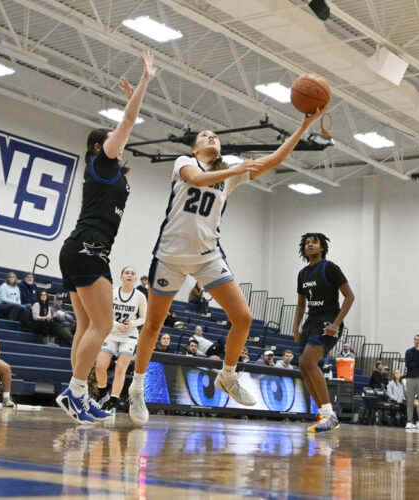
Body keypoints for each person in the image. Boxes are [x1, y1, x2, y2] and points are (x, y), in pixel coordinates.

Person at [127, 105, 326, 427]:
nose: (211, 136)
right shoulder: (185, 162)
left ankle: (228, 376)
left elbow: (274, 159)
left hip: (208, 256)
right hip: (170, 256)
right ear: (194, 147)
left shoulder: (230, 173)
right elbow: (197, 179)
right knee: (152, 325)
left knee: (243, 318)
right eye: (204, 135)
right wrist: (236, 170)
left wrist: (303, 126)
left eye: (215, 135)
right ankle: (137, 389)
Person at [56, 51, 155, 425]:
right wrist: (143, 83)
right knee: (102, 326)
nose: (120, 141)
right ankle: (75, 391)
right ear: (100, 146)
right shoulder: (102, 162)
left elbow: (125, 125)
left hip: (77, 247)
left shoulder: (106, 171)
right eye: (112, 139)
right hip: (88, 248)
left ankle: (80, 395)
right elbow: (128, 121)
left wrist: (130, 100)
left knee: (86, 327)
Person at [292, 232, 355, 433]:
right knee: (303, 365)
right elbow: (301, 305)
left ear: (322, 247)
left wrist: (336, 324)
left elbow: (349, 296)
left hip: (329, 320)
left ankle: (330, 415)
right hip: (311, 321)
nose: (310, 245)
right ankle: (323, 415)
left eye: (314, 242)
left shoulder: (330, 268)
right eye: (307, 243)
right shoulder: (302, 274)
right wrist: (295, 328)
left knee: (309, 361)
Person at [93, 266, 147, 413]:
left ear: (135, 279)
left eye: (132, 273)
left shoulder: (140, 296)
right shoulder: (113, 292)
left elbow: (143, 318)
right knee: (100, 366)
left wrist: (132, 324)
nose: (129, 275)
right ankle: (102, 392)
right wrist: (116, 324)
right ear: (121, 276)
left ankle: (113, 400)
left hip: (129, 335)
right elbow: (104, 313)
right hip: (111, 332)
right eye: (126, 273)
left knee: (120, 368)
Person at [404, 334, 419, 431]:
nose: (417, 341)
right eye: (416, 339)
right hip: (410, 378)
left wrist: (418, 354)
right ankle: (409, 421)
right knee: (410, 401)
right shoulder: (408, 351)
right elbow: (408, 364)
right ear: (414, 340)